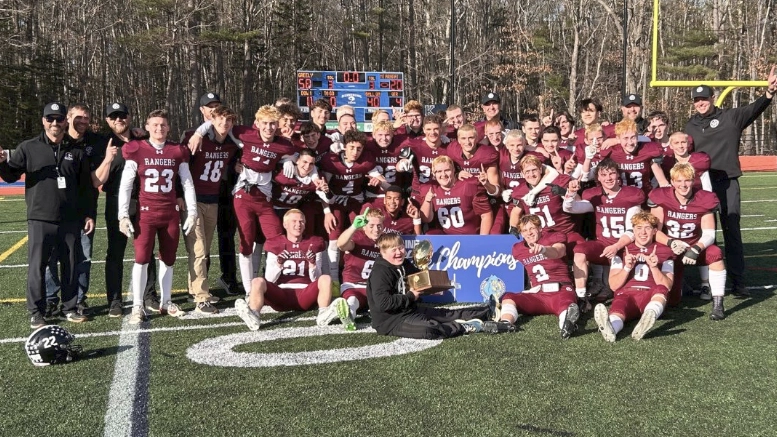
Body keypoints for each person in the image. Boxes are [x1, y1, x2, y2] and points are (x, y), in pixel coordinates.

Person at [0, 102, 95, 328]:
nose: (55, 123)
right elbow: (11, 176)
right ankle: (36, 311)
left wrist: (88, 214)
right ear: (43, 121)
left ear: (65, 121)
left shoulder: (76, 150)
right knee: (37, 266)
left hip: (70, 219)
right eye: (50, 119)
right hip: (40, 218)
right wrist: (2, 163)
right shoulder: (28, 147)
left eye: (59, 119)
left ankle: (69, 307)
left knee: (70, 264)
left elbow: (85, 188)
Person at [684, 70, 777, 297]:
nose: (700, 103)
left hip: (726, 182)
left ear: (712, 98)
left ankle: (738, 281)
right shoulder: (690, 126)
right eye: (697, 100)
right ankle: (700, 281)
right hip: (701, 185)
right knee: (701, 232)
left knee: (732, 230)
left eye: (704, 99)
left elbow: (754, 109)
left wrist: (769, 93)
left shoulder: (730, 117)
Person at [118, 109, 197, 324]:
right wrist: (122, 215)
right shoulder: (136, 149)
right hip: (146, 214)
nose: (159, 128)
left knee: (169, 259)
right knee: (141, 259)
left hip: (170, 213)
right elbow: (126, 184)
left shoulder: (177, 150)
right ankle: (137, 306)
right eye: (154, 124)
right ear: (147, 127)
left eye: (163, 124)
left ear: (169, 127)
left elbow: (187, 182)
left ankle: (166, 301)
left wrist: (192, 211)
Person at [94, 102, 161, 317]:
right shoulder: (102, 143)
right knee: (115, 251)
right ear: (107, 120)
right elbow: (97, 179)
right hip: (115, 201)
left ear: (129, 117)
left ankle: (150, 295)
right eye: (113, 117)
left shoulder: (142, 139)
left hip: (142, 199)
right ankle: (114, 300)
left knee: (147, 249)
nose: (118, 120)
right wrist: (108, 158)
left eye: (122, 116)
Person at [366, 233, 500, 339]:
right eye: (393, 249)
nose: (399, 252)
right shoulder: (380, 272)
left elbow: (420, 282)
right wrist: (410, 296)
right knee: (429, 329)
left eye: (401, 248)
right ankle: (465, 327)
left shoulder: (404, 264)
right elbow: (383, 303)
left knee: (448, 314)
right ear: (383, 252)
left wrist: (436, 285)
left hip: (410, 310)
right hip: (391, 322)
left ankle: (488, 310)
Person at [234, 209, 348, 331]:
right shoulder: (274, 243)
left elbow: (317, 279)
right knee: (257, 281)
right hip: (281, 294)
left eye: (301, 222)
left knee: (326, 278)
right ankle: (254, 315)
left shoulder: (314, 242)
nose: (298, 225)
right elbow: (269, 280)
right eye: (294, 221)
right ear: (285, 225)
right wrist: (279, 264)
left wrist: (312, 265)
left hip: (305, 294)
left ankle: (324, 314)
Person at [44, 104, 104, 317]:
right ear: (67, 118)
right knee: (50, 257)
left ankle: (78, 300)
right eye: (78, 117)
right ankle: (51, 299)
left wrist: (137, 132)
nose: (83, 121)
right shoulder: (56, 139)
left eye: (86, 118)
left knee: (83, 257)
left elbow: (120, 137)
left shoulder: (96, 141)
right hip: (54, 211)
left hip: (85, 210)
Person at [649, 163, 727, 318]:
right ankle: (678, 286)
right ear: (672, 182)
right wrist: (671, 242)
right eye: (678, 181)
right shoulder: (661, 196)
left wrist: (696, 248)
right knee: (673, 301)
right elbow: (654, 231)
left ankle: (718, 304)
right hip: (670, 248)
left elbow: (709, 233)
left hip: (693, 246)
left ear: (693, 181)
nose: (683, 185)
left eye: (687, 180)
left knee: (716, 253)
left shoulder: (704, 198)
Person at [182, 105, 240, 314]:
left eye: (228, 120)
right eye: (220, 119)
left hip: (213, 200)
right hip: (194, 200)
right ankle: (201, 297)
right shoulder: (197, 138)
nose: (224, 124)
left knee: (204, 250)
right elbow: (182, 166)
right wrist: (199, 132)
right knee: (198, 249)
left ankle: (194, 288)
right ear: (211, 120)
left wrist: (238, 165)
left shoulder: (232, 144)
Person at [563, 158, 644, 299]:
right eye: (604, 175)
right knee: (580, 251)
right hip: (602, 245)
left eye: (612, 173)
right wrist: (570, 194)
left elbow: (633, 231)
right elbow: (571, 208)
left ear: (618, 175)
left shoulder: (631, 194)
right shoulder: (595, 195)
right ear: (598, 177)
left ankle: (609, 288)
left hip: (625, 247)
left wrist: (616, 246)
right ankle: (581, 297)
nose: (608, 178)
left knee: (616, 288)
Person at [594, 212, 675, 342]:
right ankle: (611, 329)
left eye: (647, 228)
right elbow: (613, 286)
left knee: (661, 289)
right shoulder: (621, 251)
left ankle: (649, 315)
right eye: (638, 228)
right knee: (619, 308)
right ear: (633, 230)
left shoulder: (665, 251)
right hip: (627, 294)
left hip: (650, 295)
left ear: (655, 231)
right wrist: (627, 267)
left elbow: (667, 286)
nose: (643, 232)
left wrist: (654, 267)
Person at [496, 214, 579, 339]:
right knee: (509, 297)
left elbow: (559, 251)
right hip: (538, 294)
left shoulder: (553, 237)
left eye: (532, 228)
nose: (528, 233)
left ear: (540, 228)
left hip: (560, 289)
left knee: (566, 306)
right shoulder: (518, 249)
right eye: (524, 230)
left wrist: (544, 250)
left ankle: (566, 326)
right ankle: (505, 323)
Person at [336, 208, 386, 329]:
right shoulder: (357, 237)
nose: (376, 229)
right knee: (352, 301)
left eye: (379, 225)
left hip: (374, 287)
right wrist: (353, 226)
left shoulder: (385, 240)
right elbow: (341, 245)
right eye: (372, 225)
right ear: (364, 226)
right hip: (353, 284)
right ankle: (348, 317)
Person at [420, 155, 493, 235]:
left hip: (469, 238)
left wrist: (482, 240)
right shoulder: (431, 189)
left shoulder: (468, 186)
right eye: (439, 171)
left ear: (454, 170)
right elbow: (426, 219)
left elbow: (486, 214)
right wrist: (427, 201)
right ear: (434, 174)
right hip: (445, 240)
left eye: (447, 170)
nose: (443, 174)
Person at [600, 119, 669, 197]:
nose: (630, 142)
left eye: (633, 137)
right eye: (625, 138)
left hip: (644, 195)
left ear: (637, 136)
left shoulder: (648, 149)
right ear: (618, 139)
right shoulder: (612, 151)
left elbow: (662, 181)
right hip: (621, 197)